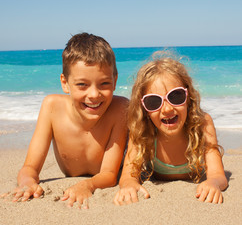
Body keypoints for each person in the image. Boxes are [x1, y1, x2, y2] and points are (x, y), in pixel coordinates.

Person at [1, 33, 128, 208]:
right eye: (82, 84)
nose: (93, 94)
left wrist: (87, 185)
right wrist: (27, 182)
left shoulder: (120, 108)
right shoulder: (52, 107)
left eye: (104, 83)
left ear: (115, 81)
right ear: (65, 82)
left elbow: (109, 174)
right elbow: (30, 167)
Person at [114, 51, 228, 205]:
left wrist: (213, 183)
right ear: (144, 110)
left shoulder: (203, 124)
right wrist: (129, 185)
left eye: (175, 96)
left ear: (188, 98)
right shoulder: (143, 131)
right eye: (153, 102)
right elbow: (128, 176)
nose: (167, 109)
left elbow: (218, 175)